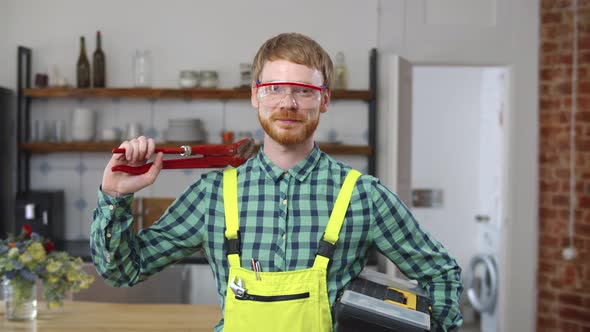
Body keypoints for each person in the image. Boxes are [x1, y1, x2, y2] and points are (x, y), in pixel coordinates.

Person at [90, 32, 463, 331]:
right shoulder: (213, 194)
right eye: (275, 88)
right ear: (255, 95)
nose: (289, 103)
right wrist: (114, 197)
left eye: (305, 90)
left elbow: (441, 274)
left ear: (325, 100)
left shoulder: (363, 196)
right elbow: (123, 270)